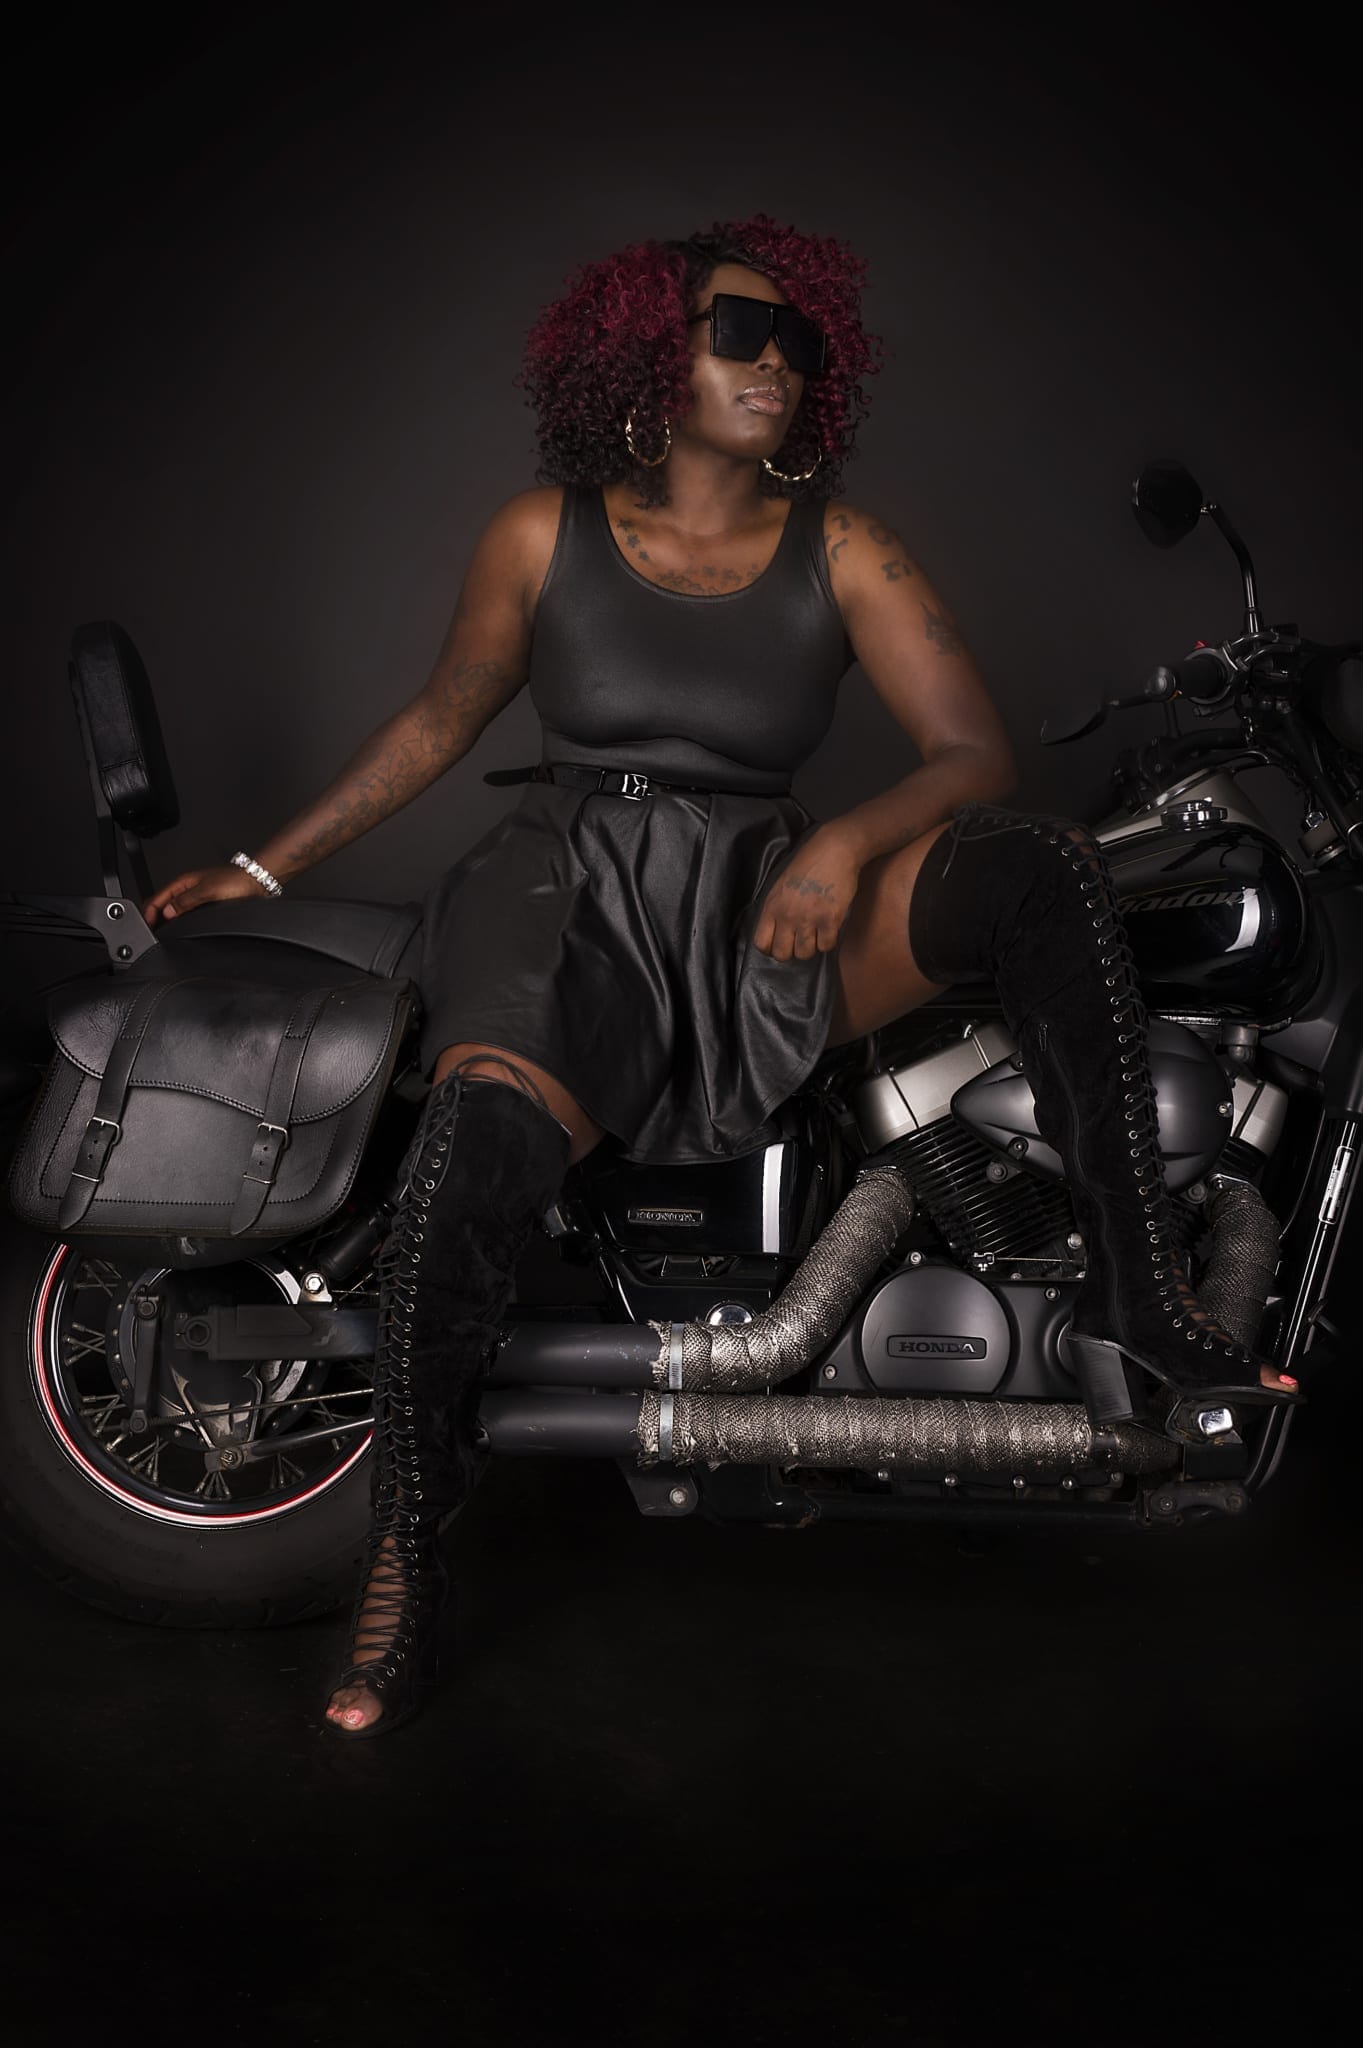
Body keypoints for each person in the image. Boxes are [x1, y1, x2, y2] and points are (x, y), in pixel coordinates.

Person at [145, 216, 1299, 1736]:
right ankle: (403, 1570)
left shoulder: (847, 546)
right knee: (470, 1163)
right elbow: (436, 722)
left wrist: (844, 848)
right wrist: (264, 866)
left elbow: (972, 753)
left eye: (798, 343)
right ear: (650, 356)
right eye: (737, 334)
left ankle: (1143, 1304)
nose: (775, 364)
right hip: (568, 900)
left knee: (1038, 864)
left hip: (762, 901)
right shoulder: (540, 534)